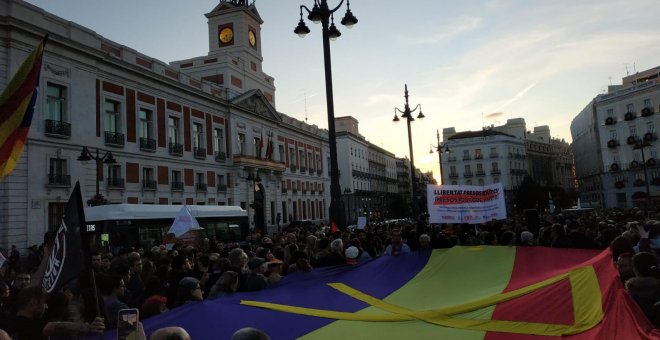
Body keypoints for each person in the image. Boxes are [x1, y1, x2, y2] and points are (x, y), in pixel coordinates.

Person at [8, 285, 105, 339]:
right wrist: (88, 327)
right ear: (33, 303)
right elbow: (56, 326)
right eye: (44, 302)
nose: (46, 307)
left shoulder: (8, 322)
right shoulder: (30, 327)